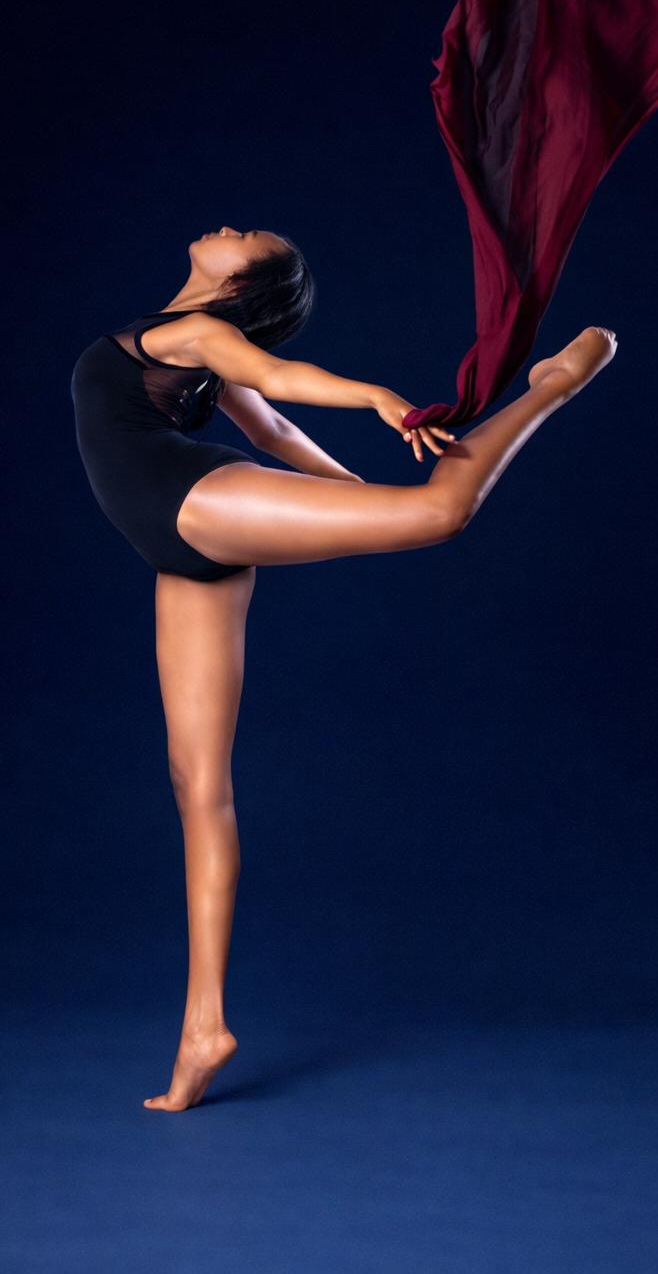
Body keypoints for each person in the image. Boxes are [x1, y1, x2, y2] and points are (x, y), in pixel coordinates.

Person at [70, 225, 617, 1110]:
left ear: (239, 282)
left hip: (194, 501)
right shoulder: (193, 346)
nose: (227, 228)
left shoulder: (199, 334)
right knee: (196, 783)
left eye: (245, 237)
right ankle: (203, 1027)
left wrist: (375, 400)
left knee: (437, 514)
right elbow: (276, 425)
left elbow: (283, 384)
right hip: (178, 550)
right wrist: (351, 497)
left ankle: (556, 383)